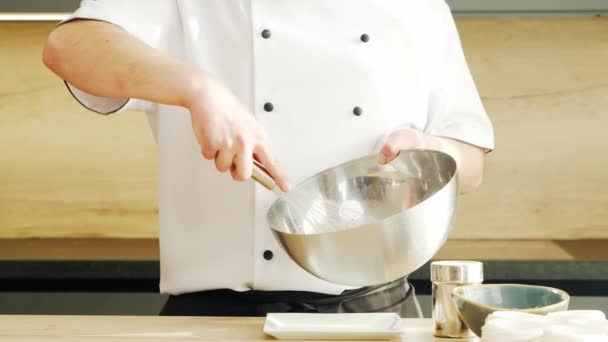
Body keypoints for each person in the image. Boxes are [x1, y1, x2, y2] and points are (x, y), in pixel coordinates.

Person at [43, 0, 494, 317]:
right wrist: (198, 89)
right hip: (214, 317)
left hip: (379, 311)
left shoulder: (416, 6)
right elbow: (69, 48)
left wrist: (433, 152)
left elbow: (469, 161)